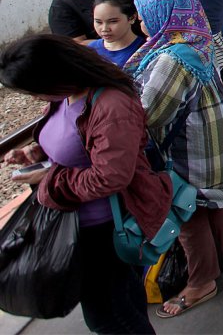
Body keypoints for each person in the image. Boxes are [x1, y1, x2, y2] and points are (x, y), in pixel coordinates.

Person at [1, 35, 172, 335]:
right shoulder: (66, 96)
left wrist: (50, 178)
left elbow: (110, 176)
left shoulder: (111, 104)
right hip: (81, 225)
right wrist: (37, 152)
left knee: (109, 318)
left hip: (105, 230)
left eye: (35, 90)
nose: (35, 98)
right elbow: (73, 140)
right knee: (122, 304)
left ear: (56, 74)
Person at [125, 0, 223, 320]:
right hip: (214, 142)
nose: (140, 22)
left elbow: (151, 113)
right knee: (210, 201)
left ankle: (201, 282)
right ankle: (219, 255)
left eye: (144, 15)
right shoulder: (199, 38)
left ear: (163, 15)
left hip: (189, 149)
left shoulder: (171, 58)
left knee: (187, 212)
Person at [89, 0, 146, 68]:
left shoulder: (145, 50)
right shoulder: (91, 49)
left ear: (132, 18)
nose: (104, 29)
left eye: (113, 21)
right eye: (98, 22)